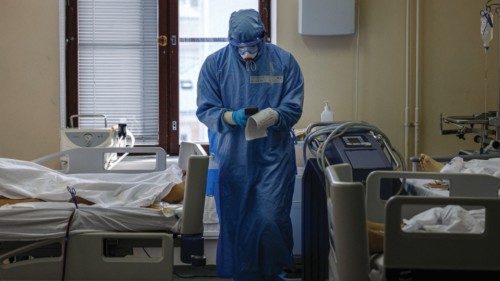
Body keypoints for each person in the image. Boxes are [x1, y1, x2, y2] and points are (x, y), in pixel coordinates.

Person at [196, 9, 304, 281]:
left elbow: (293, 106)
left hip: (273, 160)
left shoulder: (284, 62)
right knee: (236, 222)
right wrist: (232, 116)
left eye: (252, 46)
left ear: (263, 37)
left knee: (270, 219)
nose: (247, 53)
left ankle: (274, 272)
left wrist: (274, 115)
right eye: (240, 47)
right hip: (234, 159)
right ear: (230, 41)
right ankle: (240, 275)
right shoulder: (215, 65)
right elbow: (206, 109)